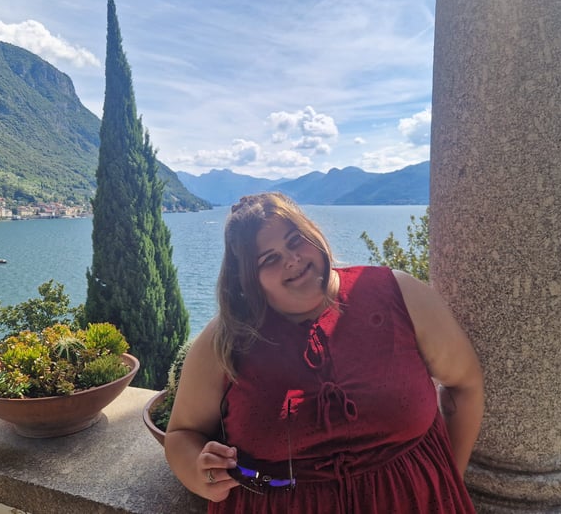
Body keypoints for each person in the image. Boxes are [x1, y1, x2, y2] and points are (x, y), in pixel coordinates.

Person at [165, 192, 484, 513]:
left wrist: (447, 484)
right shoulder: (225, 339)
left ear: (313, 232)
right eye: (269, 259)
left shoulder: (400, 295)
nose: (292, 259)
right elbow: (181, 433)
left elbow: (465, 384)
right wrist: (200, 473)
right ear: (248, 279)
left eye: (295, 240)